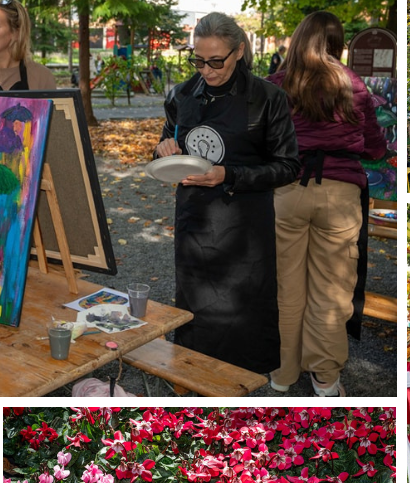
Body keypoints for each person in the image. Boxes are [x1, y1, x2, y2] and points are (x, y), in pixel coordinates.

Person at [153, 12, 299, 376]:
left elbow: (288, 166)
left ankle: (241, 394)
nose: (206, 69)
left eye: (216, 61)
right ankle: (192, 386)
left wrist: (228, 174)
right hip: (195, 225)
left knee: (244, 319)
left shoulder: (267, 98)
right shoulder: (182, 95)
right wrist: (162, 149)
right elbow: (164, 142)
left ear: (238, 52)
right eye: (198, 60)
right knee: (196, 316)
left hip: (245, 228)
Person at [265, 11, 385, 397]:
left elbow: (259, 141)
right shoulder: (352, 83)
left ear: (298, 39)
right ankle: (325, 376)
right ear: (337, 43)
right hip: (340, 195)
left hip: (286, 192)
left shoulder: (277, 84)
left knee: (285, 286)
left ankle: (282, 373)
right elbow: (376, 146)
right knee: (331, 290)